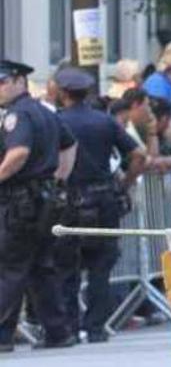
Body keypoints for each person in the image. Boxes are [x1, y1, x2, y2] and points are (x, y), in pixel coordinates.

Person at [51, 68, 145, 343]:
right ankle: (95, 328)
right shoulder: (104, 121)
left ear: (64, 93)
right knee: (100, 267)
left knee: (66, 265)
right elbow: (139, 155)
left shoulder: (57, 121)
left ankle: (69, 325)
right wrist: (125, 183)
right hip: (104, 198)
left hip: (68, 200)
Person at [0, 60, 79, 351]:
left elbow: (18, 153)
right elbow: (70, 145)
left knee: (10, 268)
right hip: (43, 202)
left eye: (2, 81)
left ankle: (3, 334)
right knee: (39, 268)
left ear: (20, 81)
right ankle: (57, 331)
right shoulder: (44, 112)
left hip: (19, 203)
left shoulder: (18, 115)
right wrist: (59, 179)